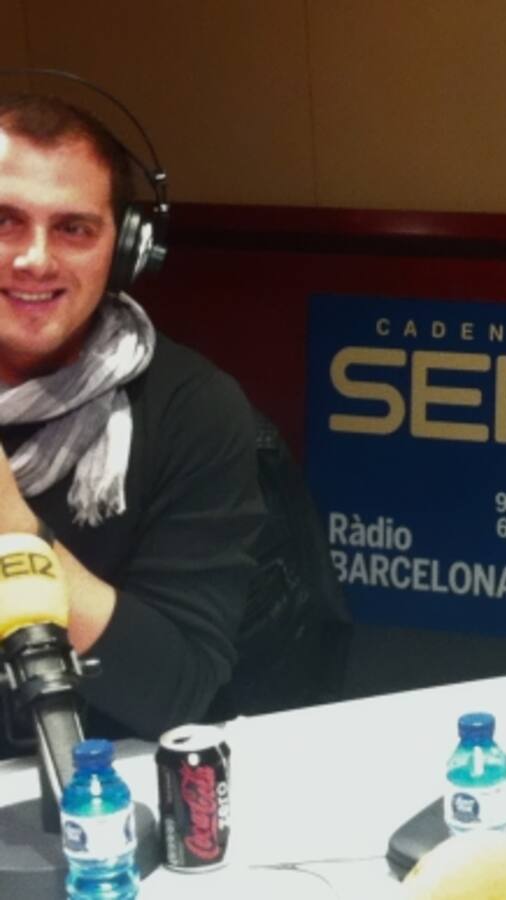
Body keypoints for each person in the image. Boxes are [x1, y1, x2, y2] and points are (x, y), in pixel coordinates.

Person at [0, 92, 263, 754]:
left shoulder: (193, 409)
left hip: (100, 783)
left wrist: (17, 535)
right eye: (4, 221)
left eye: (73, 228)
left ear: (126, 250)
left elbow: (178, 689)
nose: (34, 259)